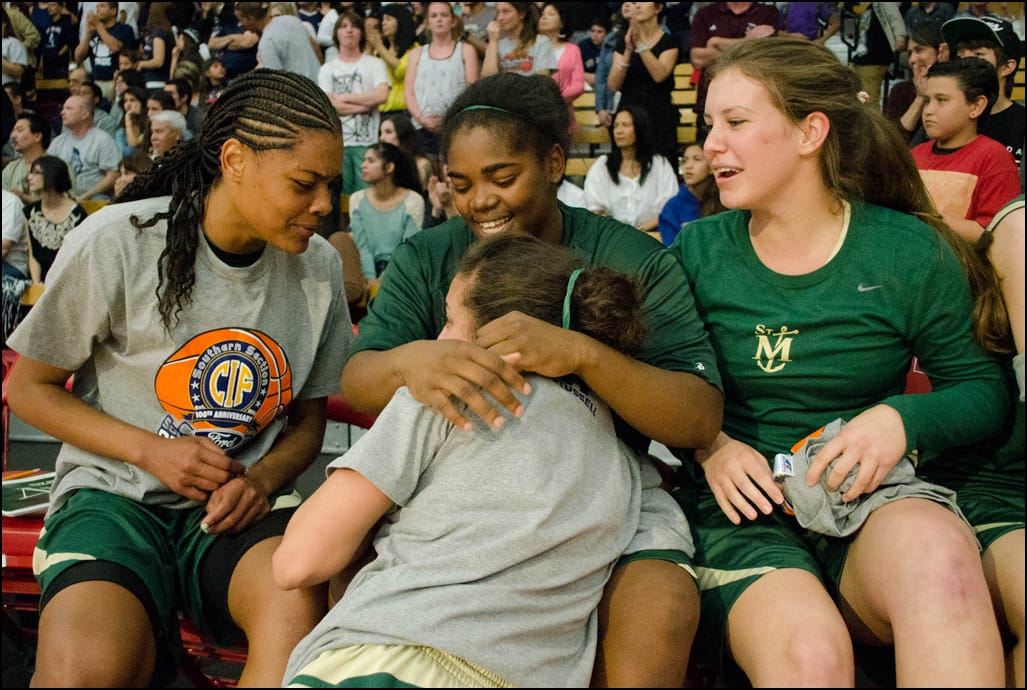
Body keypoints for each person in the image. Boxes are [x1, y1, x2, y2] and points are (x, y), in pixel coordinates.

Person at [340, 71, 723, 687]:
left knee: (662, 603)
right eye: (460, 184)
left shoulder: (630, 256)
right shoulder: (428, 256)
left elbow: (698, 415)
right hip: (457, 499)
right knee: (347, 563)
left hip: (603, 498)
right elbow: (359, 379)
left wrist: (584, 355)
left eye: (502, 178)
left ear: (553, 162)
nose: (480, 202)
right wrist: (413, 362)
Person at [669, 38, 1007, 686]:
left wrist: (901, 419)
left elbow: (983, 390)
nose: (711, 144)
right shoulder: (696, 249)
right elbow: (655, 387)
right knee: (811, 656)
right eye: (709, 124)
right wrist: (710, 445)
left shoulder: (907, 250)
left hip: (866, 498)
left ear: (810, 132)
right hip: (741, 513)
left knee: (939, 559)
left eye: (735, 122)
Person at [5, 68, 352, 688]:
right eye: (305, 184)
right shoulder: (116, 242)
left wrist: (263, 478)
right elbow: (27, 390)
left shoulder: (318, 267)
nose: (324, 204)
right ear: (235, 160)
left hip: (238, 506)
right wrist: (152, 452)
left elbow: (308, 424)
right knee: (82, 671)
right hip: (112, 496)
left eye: (331, 184)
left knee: (295, 620)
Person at [277, 232, 685, 687]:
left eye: (450, 321)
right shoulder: (628, 466)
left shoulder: (444, 396)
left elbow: (297, 562)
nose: (438, 339)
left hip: (385, 659)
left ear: (501, 335)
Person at [911, 57, 1020, 242]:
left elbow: (994, 234)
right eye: (927, 101)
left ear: (976, 106)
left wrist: (928, 217)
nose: (929, 110)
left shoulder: (993, 157)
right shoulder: (916, 154)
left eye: (942, 100)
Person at [317, 9, 389, 195]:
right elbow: (329, 106)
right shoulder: (327, 69)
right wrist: (367, 104)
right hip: (338, 143)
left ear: (361, 33)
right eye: (343, 26)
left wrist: (344, 98)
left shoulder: (375, 64)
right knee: (342, 197)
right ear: (336, 34)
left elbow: (382, 96)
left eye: (354, 26)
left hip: (368, 142)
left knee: (367, 194)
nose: (349, 30)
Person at [942, 14, 1025, 167]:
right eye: (960, 57)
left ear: (1007, 67)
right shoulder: (946, 119)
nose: (965, 64)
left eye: (978, 55)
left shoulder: (1021, 124)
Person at [690, 1, 779, 139]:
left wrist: (716, 42)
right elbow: (698, 59)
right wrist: (748, 41)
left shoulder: (767, 13)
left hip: (753, 101)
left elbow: (764, 53)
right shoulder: (705, 13)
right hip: (710, 104)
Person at [583, 105, 678, 236]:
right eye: (616, 126)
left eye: (625, 125)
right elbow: (595, 210)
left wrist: (641, 231)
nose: (618, 131)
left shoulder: (659, 164)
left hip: (652, 236)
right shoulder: (602, 165)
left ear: (639, 128)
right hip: (613, 237)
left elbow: (670, 208)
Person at [403, 0, 479, 160]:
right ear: (427, 22)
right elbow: (408, 92)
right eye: (434, 16)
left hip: (455, 126)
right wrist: (422, 119)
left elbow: (471, 91)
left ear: (453, 21)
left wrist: (450, 118)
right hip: (421, 127)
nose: (439, 19)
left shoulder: (466, 50)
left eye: (444, 15)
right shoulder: (416, 53)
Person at [606, 2, 679, 161]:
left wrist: (640, 44)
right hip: (629, 111)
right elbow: (613, 84)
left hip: (658, 114)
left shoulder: (669, 41)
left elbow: (659, 75)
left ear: (658, 8)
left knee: (661, 164)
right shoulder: (624, 41)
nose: (637, 5)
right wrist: (628, 51)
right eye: (634, 2)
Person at [349, 141, 425, 290]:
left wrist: (385, 279)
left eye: (371, 161)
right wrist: (370, 278)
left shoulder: (413, 201)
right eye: (364, 160)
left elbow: (407, 249)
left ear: (389, 167)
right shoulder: (357, 199)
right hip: (364, 271)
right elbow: (361, 246)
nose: (363, 165)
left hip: (401, 272)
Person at [20, 154, 88, 283]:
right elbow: (33, 255)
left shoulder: (78, 214)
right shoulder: (30, 212)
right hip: (40, 280)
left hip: (69, 279)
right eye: (30, 173)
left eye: (36, 173)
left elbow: (79, 257)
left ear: (52, 175)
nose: (29, 177)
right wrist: (37, 284)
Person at [48, 93, 122, 202]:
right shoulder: (57, 142)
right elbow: (47, 172)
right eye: (63, 108)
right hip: (63, 199)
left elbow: (113, 175)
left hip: (95, 199)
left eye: (69, 109)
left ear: (84, 114)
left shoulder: (102, 140)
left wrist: (86, 196)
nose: (62, 112)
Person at [885, 22, 946, 146]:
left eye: (919, 50)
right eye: (910, 53)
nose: (912, 60)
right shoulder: (900, 90)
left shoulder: (955, 90)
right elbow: (893, 141)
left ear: (940, 51)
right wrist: (920, 97)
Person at [657, 140, 724, 247]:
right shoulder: (672, 207)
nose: (688, 166)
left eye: (697, 159)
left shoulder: (725, 200)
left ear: (712, 168)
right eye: (684, 161)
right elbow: (673, 250)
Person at [236, 1, 321, 82]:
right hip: (319, 86)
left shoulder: (267, 42)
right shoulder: (292, 20)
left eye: (241, 20)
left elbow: (277, 82)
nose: (239, 25)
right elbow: (316, 50)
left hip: (300, 90)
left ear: (251, 19)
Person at [73, 1, 135, 104]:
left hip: (116, 81)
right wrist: (88, 33)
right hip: (96, 82)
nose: (97, 9)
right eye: (97, 7)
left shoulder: (124, 29)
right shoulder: (94, 32)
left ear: (113, 11)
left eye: (102, 6)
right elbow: (78, 57)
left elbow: (115, 47)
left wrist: (98, 26)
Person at [538, 2, 584, 135]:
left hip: (561, 116)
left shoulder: (572, 50)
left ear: (562, 22)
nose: (544, 17)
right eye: (543, 14)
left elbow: (578, 86)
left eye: (551, 14)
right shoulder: (532, 48)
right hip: (534, 114)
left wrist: (555, 99)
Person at [365, 3, 417, 117]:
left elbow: (401, 71)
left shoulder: (415, 49)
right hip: (380, 110)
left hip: (403, 111)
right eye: (383, 20)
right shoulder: (379, 51)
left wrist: (378, 45)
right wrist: (369, 46)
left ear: (401, 22)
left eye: (388, 19)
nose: (383, 23)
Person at [482, 2, 556, 77]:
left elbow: (542, 80)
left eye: (506, 11)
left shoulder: (541, 42)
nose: (499, 18)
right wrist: (493, 41)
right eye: (498, 12)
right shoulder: (494, 44)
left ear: (522, 14)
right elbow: (487, 78)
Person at [379, 111, 433, 194]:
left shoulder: (421, 164)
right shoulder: (380, 163)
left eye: (388, 132)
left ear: (403, 134)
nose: (382, 138)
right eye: (380, 133)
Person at [136, 1, 174, 89]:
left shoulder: (159, 32)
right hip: (153, 81)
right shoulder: (164, 32)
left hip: (156, 81)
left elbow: (158, 61)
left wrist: (139, 64)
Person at [578, 14, 608, 90]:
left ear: (607, 34)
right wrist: (586, 76)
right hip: (586, 83)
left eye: (599, 32)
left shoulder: (611, 47)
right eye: (593, 31)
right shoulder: (583, 46)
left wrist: (599, 78)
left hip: (607, 85)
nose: (595, 35)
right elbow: (573, 71)